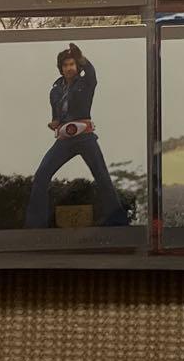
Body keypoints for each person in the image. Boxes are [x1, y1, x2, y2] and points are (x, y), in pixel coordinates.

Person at [24, 44, 126, 228]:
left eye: (72, 64)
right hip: (65, 140)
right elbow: (56, 117)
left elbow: (92, 74)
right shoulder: (55, 90)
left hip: (85, 137)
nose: (69, 68)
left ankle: (117, 221)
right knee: (41, 175)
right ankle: (35, 225)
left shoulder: (85, 84)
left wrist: (82, 59)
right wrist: (54, 124)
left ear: (77, 66)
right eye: (65, 65)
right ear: (61, 68)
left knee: (102, 176)